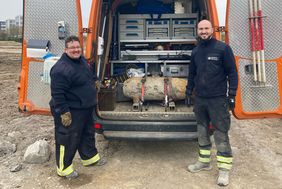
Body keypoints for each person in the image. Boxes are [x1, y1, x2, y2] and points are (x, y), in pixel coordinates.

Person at [185, 20, 238, 186]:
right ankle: (204, 162)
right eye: (201, 29)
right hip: (200, 99)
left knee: (221, 133)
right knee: (202, 131)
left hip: (217, 99)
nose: (203, 31)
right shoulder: (196, 51)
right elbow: (192, 73)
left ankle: (224, 170)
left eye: (206, 28)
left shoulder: (223, 48)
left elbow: (232, 72)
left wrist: (232, 94)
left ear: (212, 30)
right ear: (198, 31)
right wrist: (188, 91)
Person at [49, 35, 106, 179]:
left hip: (85, 108)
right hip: (71, 110)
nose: (76, 50)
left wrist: (95, 81)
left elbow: (88, 75)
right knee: (67, 138)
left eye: (78, 47)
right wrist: (64, 112)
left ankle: (90, 158)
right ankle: (64, 168)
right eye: (72, 48)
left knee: (87, 134)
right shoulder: (60, 69)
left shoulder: (81, 61)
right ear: (66, 49)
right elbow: (57, 94)